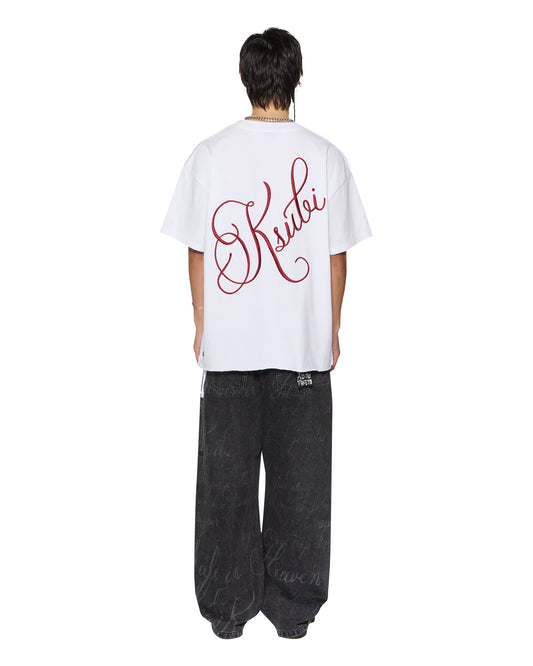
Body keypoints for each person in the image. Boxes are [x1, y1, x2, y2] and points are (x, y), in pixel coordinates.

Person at [160, 27, 372, 640]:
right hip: (302, 351)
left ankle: (227, 611)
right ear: (296, 76)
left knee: (223, 489)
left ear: (245, 78)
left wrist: (202, 319)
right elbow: (335, 255)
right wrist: (332, 326)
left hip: (229, 351)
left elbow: (199, 248)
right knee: (301, 486)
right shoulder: (326, 157)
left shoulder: (210, 154)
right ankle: (293, 612)